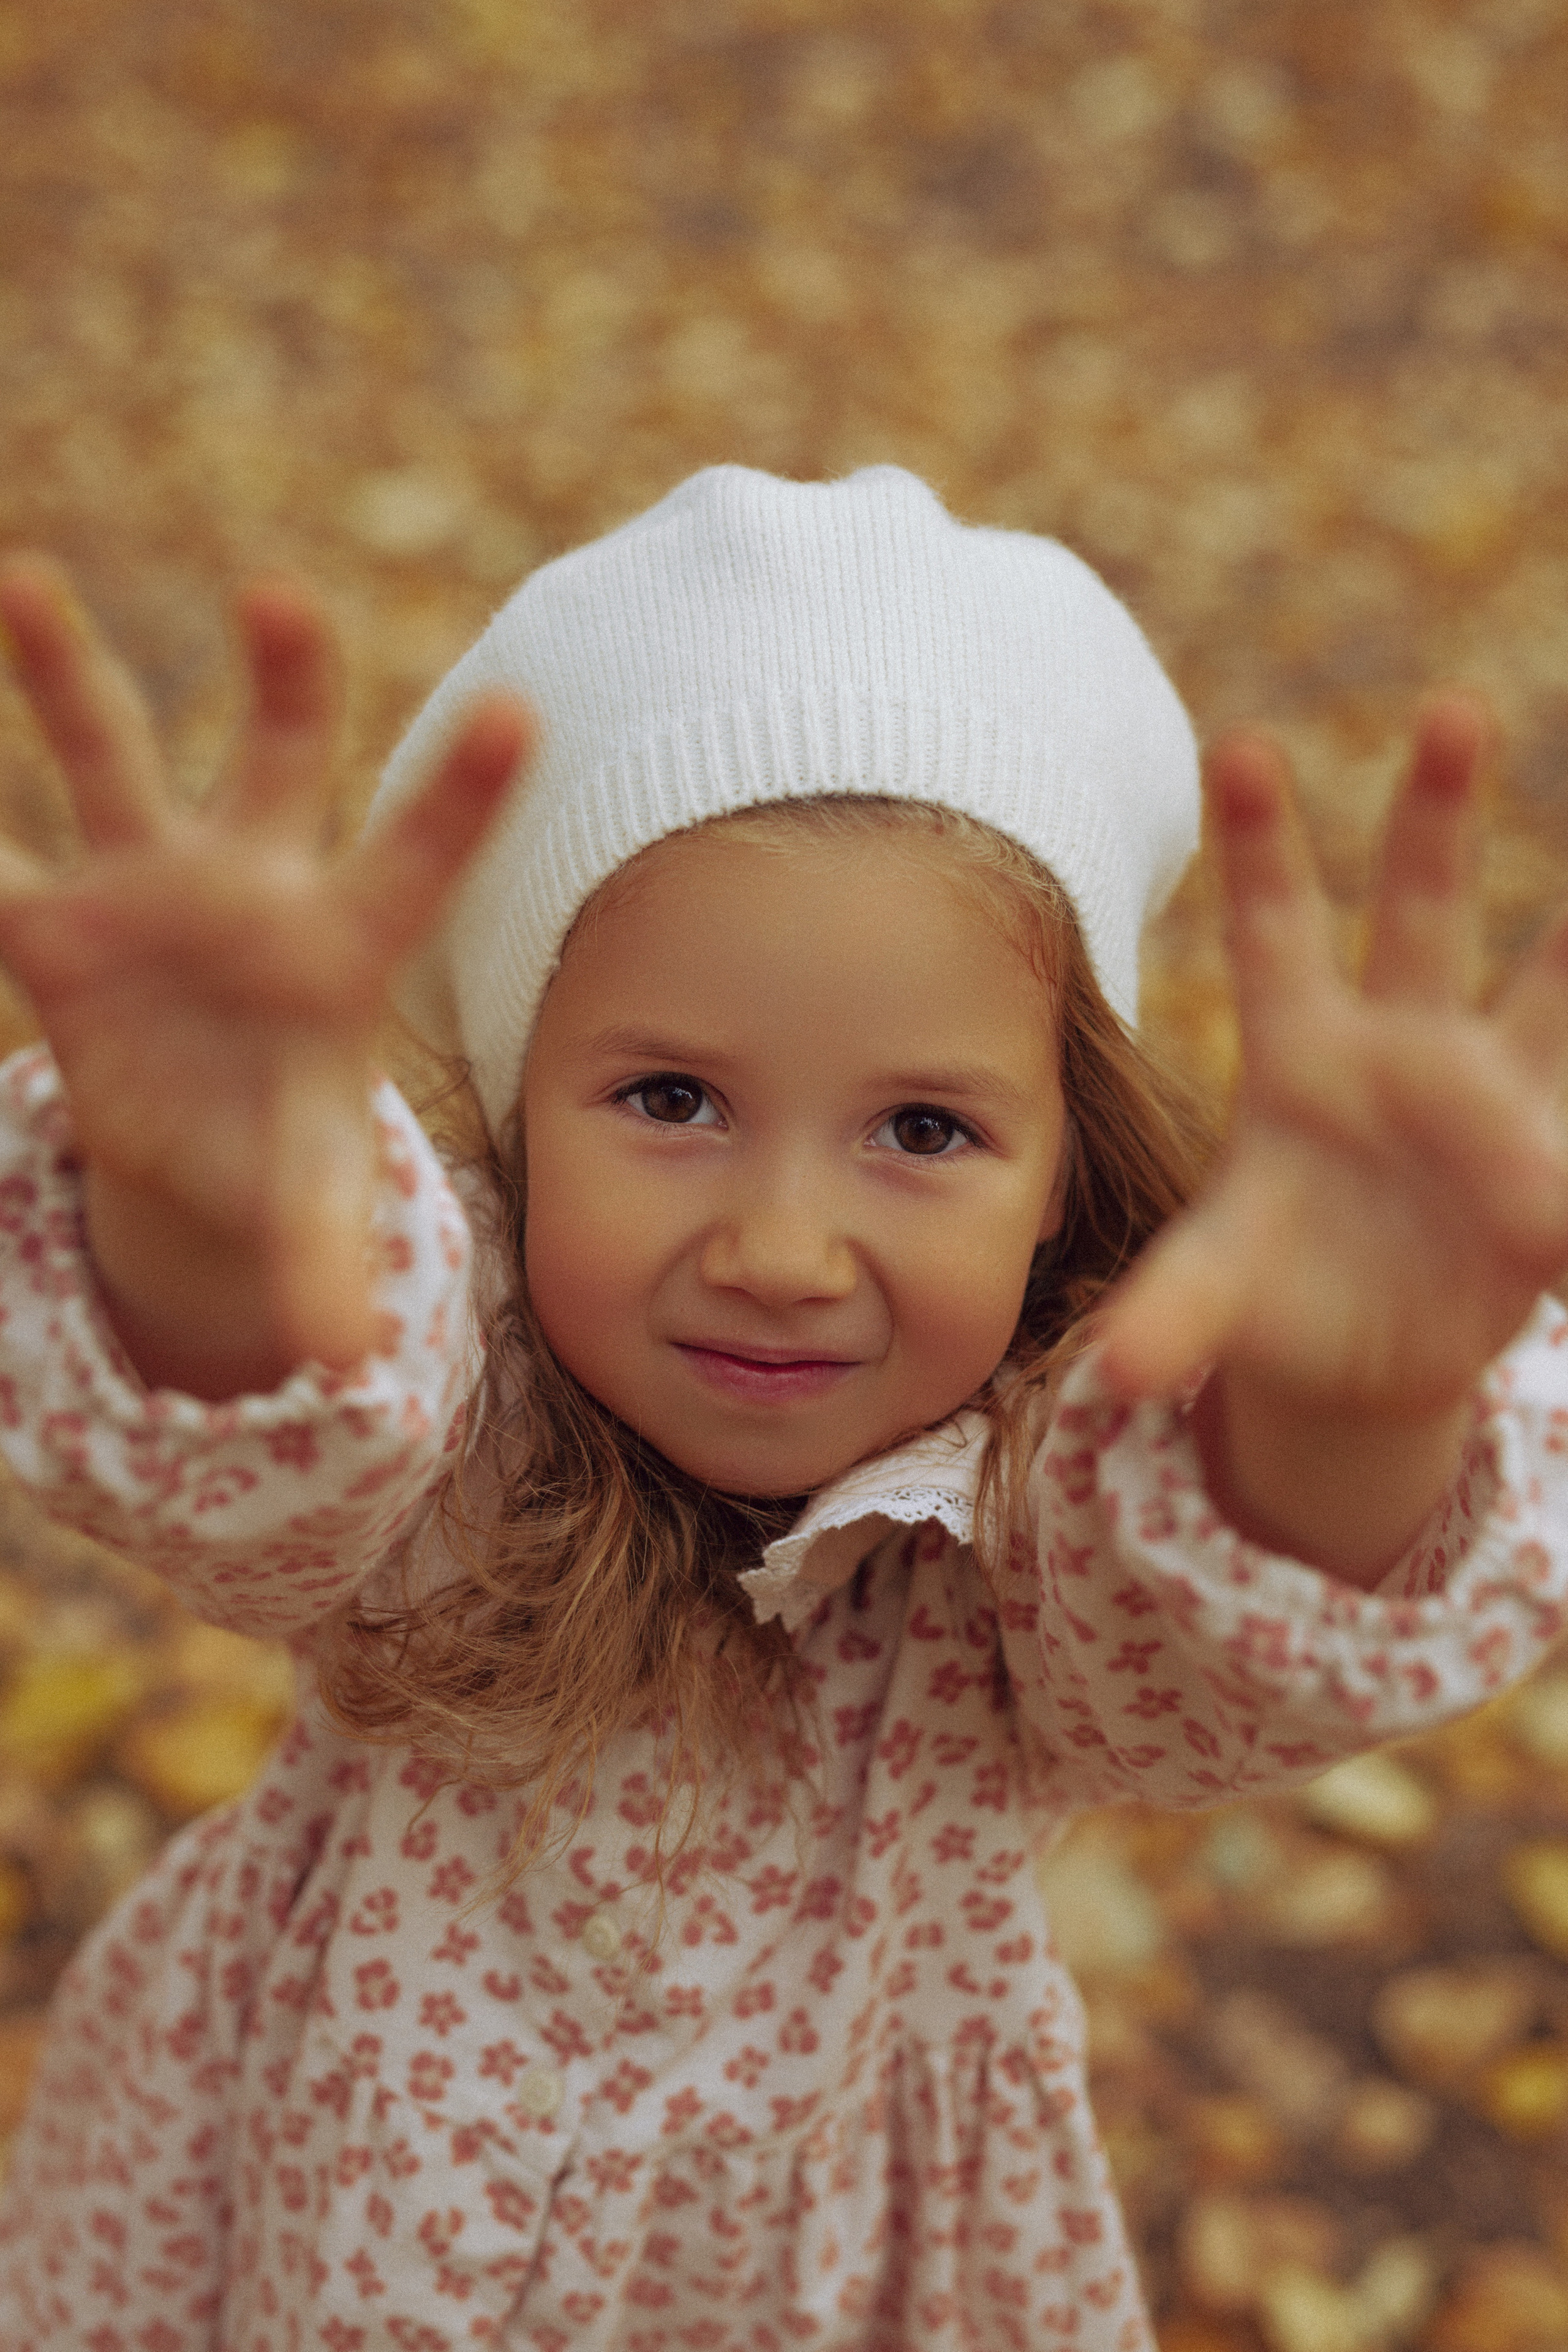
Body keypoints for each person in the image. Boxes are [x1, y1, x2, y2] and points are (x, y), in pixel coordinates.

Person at [0, 465, 1564, 2352]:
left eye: (924, 1129)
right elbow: (273, 1435)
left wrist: (1351, 1405)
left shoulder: (1043, 1509)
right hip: (343, 2237)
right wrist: (206, 1215)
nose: (781, 1250)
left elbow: (1222, 1639)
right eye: (671, 1101)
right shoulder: (450, 1404)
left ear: (1063, 1176)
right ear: (519, 1115)